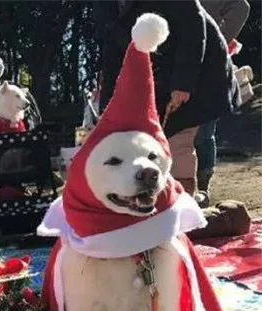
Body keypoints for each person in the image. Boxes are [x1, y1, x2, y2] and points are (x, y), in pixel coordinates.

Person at [94, 1, 240, 196]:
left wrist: (182, 84)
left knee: (177, 140)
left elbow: (193, 29)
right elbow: (112, 54)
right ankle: (160, 201)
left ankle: (183, 202)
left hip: (201, 73)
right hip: (161, 76)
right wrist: (106, 111)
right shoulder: (105, 7)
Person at [194, 0, 250, 204]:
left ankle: (202, 186)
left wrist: (216, 41)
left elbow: (242, 7)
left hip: (207, 69)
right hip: (171, 65)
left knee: (203, 131)